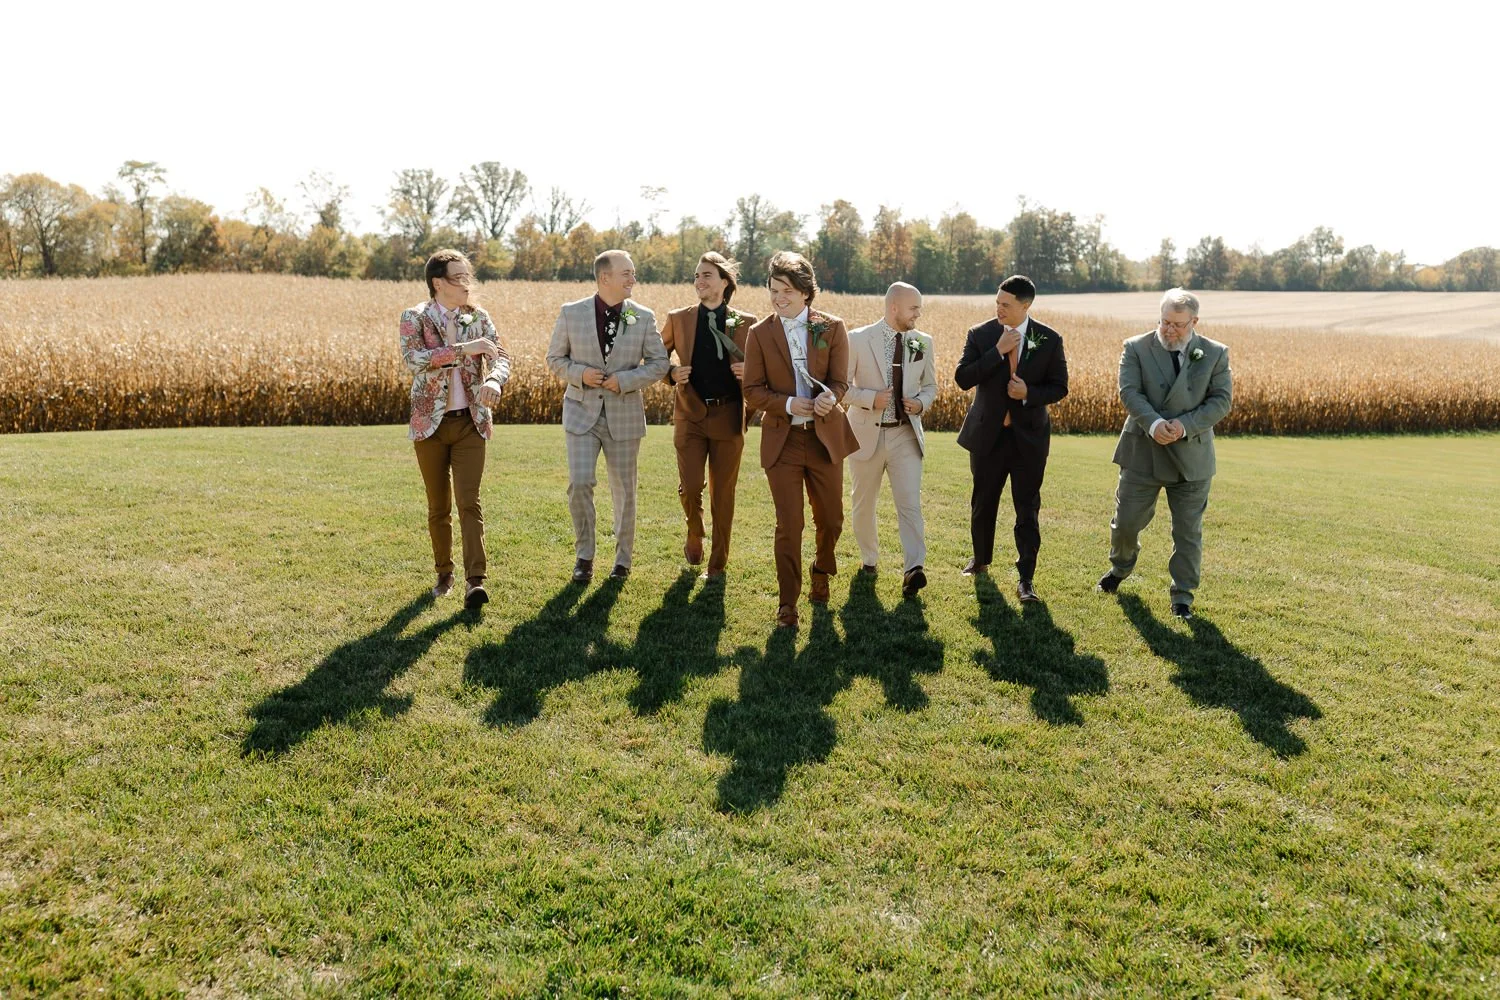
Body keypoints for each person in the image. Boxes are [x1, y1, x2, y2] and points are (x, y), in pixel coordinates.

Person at [1097, 287, 1233, 619]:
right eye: (1164, 322)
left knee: (1188, 532)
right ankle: (1121, 566)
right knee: (1127, 522)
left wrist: (1183, 425)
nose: (1169, 330)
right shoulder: (1136, 347)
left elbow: (1221, 401)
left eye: (1178, 324)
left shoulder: (1215, 353)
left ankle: (1182, 595)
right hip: (1143, 449)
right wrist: (1155, 424)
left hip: (1192, 456)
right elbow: (1129, 391)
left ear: (1194, 321)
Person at [742, 251, 859, 629]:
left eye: (787, 291)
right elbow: (752, 390)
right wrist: (791, 403)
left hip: (826, 439)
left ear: (807, 293)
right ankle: (787, 604)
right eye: (773, 290)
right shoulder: (759, 334)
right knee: (789, 525)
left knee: (832, 520)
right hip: (783, 441)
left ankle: (821, 569)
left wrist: (831, 397)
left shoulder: (832, 327)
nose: (778, 298)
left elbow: (840, 381)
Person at [545, 250, 670, 583]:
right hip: (581, 412)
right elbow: (555, 359)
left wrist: (626, 380)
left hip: (624, 415)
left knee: (625, 491)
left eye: (633, 273)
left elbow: (660, 364)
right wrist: (580, 374)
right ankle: (584, 557)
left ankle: (622, 562)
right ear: (605, 278)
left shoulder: (643, 316)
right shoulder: (571, 313)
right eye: (627, 273)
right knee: (580, 483)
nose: (633, 279)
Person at [398, 248, 510, 609]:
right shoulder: (414, 317)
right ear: (438, 283)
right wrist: (465, 348)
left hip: (470, 424)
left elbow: (501, 355)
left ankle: (475, 581)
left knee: (469, 502)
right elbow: (414, 360)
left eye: (468, 276)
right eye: (459, 277)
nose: (468, 284)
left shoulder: (478, 317)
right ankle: (443, 573)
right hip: (429, 426)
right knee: (438, 506)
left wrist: (494, 379)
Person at [955, 274, 1069, 603]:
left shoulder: (1048, 338)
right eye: (997, 303)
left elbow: (1060, 386)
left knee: (1027, 508)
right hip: (988, 436)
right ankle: (980, 560)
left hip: (1028, 439)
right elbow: (963, 378)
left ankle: (1026, 578)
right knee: (983, 501)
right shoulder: (981, 334)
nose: (999, 309)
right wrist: (996, 351)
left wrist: (1028, 393)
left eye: (1005, 304)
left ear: (1025, 306)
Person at [659, 252, 758, 581]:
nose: (699, 281)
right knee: (689, 486)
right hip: (690, 414)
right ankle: (694, 530)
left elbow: (766, 369)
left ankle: (717, 564)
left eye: (707, 276)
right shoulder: (679, 318)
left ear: (725, 282)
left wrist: (751, 374)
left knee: (723, 494)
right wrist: (672, 372)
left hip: (729, 414)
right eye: (697, 276)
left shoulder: (747, 322)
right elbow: (657, 357)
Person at [845, 282, 938, 599]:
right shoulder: (857, 339)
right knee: (863, 504)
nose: (918, 314)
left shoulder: (922, 342)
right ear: (894, 306)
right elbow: (841, 388)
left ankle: (914, 569)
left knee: (910, 503)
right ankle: (869, 560)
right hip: (864, 435)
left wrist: (921, 403)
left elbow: (930, 386)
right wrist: (871, 398)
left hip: (905, 435)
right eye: (914, 308)